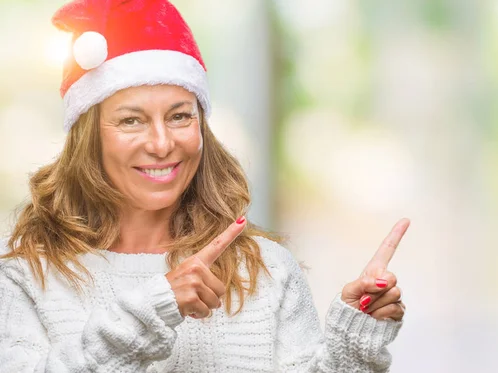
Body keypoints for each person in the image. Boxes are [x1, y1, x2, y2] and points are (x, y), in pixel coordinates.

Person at [0, 0, 408, 372]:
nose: (162, 144)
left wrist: (353, 344)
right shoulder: (26, 275)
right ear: (88, 138)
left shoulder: (266, 270)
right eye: (131, 120)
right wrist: (153, 309)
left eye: (179, 116)